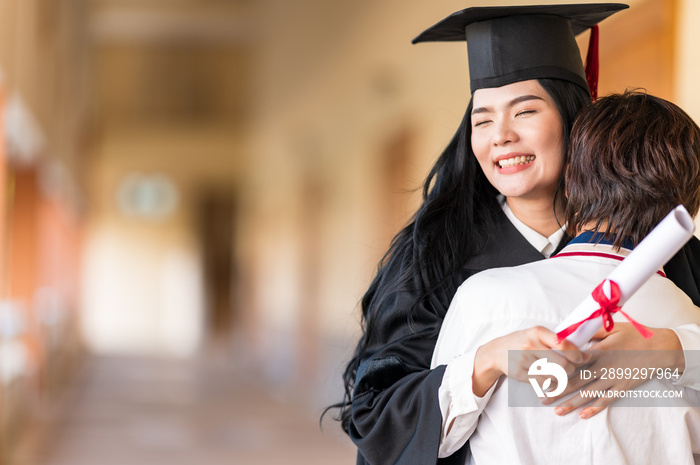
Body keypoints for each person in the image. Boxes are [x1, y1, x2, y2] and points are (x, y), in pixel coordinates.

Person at [333, 4, 700, 464]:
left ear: (575, 122)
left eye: (524, 111)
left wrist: (670, 348)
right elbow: (380, 417)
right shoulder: (434, 257)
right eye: (482, 120)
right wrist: (485, 363)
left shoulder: (667, 251)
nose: (500, 136)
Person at [431, 90, 700, 464]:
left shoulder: (484, 299)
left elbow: (436, 439)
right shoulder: (687, 324)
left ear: (570, 179)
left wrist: (489, 359)